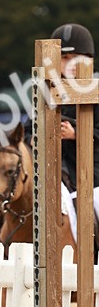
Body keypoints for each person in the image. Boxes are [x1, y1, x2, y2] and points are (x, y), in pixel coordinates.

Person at [51, 22, 98, 192]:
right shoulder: (48, 91)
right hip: (58, 174)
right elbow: (29, 128)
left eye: (76, 57)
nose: (70, 64)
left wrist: (76, 134)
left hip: (94, 175)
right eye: (64, 58)